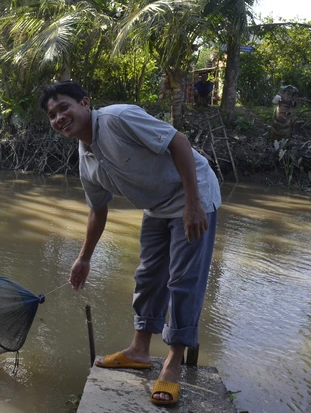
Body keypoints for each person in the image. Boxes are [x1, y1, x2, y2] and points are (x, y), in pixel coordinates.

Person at [38, 81, 221, 406]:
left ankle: (173, 363)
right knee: (148, 275)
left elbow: (178, 142)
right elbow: (98, 210)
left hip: (194, 193)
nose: (59, 118)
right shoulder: (86, 161)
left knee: (182, 281)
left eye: (64, 107)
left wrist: (193, 202)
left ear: (85, 103)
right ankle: (139, 350)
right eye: (52, 115)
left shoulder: (117, 119)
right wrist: (84, 258)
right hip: (157, 207)